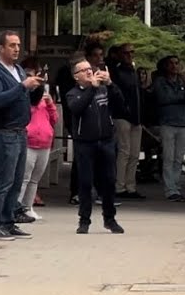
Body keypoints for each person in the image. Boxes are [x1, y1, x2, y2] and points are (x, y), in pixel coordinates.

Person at [0, 31, 44, 240]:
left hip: (20, 131)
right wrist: (21, 86)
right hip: (5, 133)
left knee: (17, 181)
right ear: (0, 48)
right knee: (3, 180)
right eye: (11, 45)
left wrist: (36, 87)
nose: (16, 49)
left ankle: (9, 221)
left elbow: (26, 99)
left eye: (18, 45)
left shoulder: (17, 69)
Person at [66, 56, 125, 234]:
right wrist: (91, 88)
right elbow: (77, 108)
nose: (89, 71)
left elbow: (120, 104)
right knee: (85, 183)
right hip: (85, 144)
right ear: (76, 76)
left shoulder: (103, 91)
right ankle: (84, 220)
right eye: (83, 70)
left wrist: (111, 84)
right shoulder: (73, 93)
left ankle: (110, 219)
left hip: (106, 141)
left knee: (108, 181)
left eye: (89, 68)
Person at [17, 60, 58, 222]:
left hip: (45, 143)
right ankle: (17, 207)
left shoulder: (44, 101)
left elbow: (54, 119)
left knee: (34, 179)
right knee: (24, 178)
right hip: (29, 142)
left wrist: (50, 104)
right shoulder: (25, 99)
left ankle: (28, 208)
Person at [151, 55, 185, 202]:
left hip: (181, 121)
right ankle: (170, 189)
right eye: (171, 64)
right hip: (167, 122)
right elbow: (163, 98)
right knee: (168, 157)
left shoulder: (182, 81)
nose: (175, 66)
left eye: (177, 63)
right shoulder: (160, 82)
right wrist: (179, 97)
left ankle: (176, 186)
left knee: (178, 157)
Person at [108, 44, 146, 199]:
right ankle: (120, 186)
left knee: (134, 153)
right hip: (122, 115)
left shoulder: (133, 71)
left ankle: (130, 186)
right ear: (119, 54)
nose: (130, 55)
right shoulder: (116, 71)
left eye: (132, 52)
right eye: (126, 53)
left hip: (136, 116)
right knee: (124, 151)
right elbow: (117, 93)